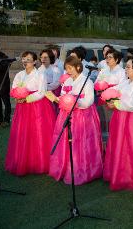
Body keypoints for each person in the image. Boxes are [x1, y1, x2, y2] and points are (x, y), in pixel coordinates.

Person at [49, 56, 103, 185]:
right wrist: (58, 99)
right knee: (66, 141)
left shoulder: (87, 81)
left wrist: (74, 102)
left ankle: (83, 170)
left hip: (82, 116)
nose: (67, 71)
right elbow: (62, 96)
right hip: (66, 114)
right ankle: (65, 167)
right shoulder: (67, 82)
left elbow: (89, 101)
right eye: (66, 68)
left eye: (70, 68)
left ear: (78, 67)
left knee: (81, 141)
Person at [103, 56, 133, 191]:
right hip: (121, 117)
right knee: (119, 144)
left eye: (128, 67)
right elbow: (115, 90)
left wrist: (116, 103)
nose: (126, 69)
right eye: (126, 66)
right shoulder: (126, 82)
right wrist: (108, 96)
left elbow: (132, 106)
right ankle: (119, 174)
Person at [5, 51, 56, 175]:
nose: (25, 61)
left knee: (38, 133)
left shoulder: (40, 74)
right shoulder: (19, 74)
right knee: (23, 133)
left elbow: (41, 92)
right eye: (23, 59)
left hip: (37, 106)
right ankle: (23, 161)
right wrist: (16, 96)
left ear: (34, 61)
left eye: (28, 59)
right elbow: (14, 88)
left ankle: (40, 162)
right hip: (22, 108)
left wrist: (27, 98)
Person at [95, 49, 126, 141]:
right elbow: (96, 82)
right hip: (102, 98)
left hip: (114, 100)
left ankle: (114, 141)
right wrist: (99, 87)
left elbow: (122, 86)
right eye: (107, 57)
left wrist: (109, 91)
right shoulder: (103, 70)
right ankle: (103, 144)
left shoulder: (122, 72)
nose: (107, 59)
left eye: (110, 57)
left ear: (116, 60)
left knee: (113, 122)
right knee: (103, 121)